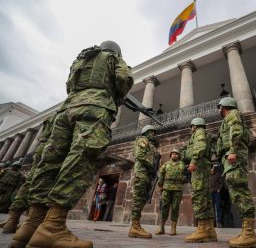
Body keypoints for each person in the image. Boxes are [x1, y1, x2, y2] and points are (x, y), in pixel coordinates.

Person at [9, 40, 133, 248]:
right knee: (81, 159)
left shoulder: (82, 58)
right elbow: (123, 78)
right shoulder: (113, 58)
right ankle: (53, 227)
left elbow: (69, 85)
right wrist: (117, 96)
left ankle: (30, 225)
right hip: (94, 108)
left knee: (49, 164)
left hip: (65, 111)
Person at [0, 115, 56, 234]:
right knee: (46, 184)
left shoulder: (54, 116)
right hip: (55, 150)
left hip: (42, 149)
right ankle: (32, 223)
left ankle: (12, 220)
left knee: (30, 183)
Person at [216, 97, 256, 248]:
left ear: (224, 107)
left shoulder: (232, 114)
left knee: (239, 190)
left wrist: (233, 150)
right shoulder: (229, 117)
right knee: (235, 190)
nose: (218, 110)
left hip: (233, 156)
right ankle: (246, 230)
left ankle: (249, 233)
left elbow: (236, 131)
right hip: (229, 157)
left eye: (219, 107)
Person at [182, 117, 217, 243]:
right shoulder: (205, 133)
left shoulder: (199, 132)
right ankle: (210, 230)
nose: (191, 129)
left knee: (198, 195)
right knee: (206, 197)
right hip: (204, 165)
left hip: (199, 166)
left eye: (192, 126)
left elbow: (200, 147)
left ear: (195, 126)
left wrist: (193, 160)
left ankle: (201, 230)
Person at [128, 125, 158, 239]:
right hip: (141, 173)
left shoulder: (148, 143)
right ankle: (135, 227)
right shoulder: (142, 140)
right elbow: (140, 155)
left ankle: (135, 226)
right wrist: (151, 167)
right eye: (151, 132)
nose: (153, 134)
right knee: (138, 198)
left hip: (145, 174)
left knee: (142, 198)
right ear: (146, 132)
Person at [155, 149, 186, 236]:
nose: (174, 155)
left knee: (175, 208)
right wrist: (160, 185)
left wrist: (184, 179)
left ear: (178, 156)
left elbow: (186, 175)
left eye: (176, 154)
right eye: (172, 154)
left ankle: (173, 228)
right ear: (170, 155)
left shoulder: (182, 165)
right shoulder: (166, 165)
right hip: (166, 188)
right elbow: (161, 175)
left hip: (177, 188)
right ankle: (161, 227)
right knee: (164, 207)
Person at [209, 163, 223, 228]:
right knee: (211, 208)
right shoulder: (207, 175)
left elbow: (221, 183)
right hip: (210, 193)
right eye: (210, 168)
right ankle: (212, 223)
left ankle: (219, 222)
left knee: (218, 207)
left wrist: (219, 189)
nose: (211, 169)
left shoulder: (217, 174)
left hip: (216, 193)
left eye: (212, 168)